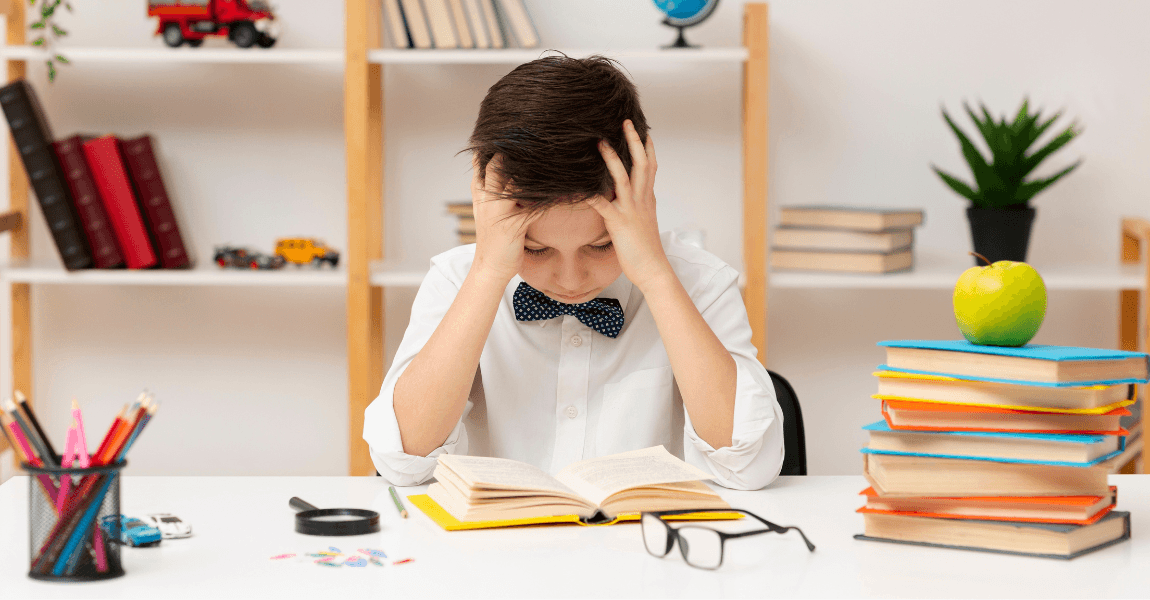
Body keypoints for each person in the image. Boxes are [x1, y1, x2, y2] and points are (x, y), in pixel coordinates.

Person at [364, 54, 784, 490]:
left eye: (601, 245)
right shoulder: (458, 279)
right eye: (536, 249)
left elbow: (748, 465)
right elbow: (404, 462)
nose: (570, 280)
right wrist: (488, 273)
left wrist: (657, 276)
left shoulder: (700, 282)